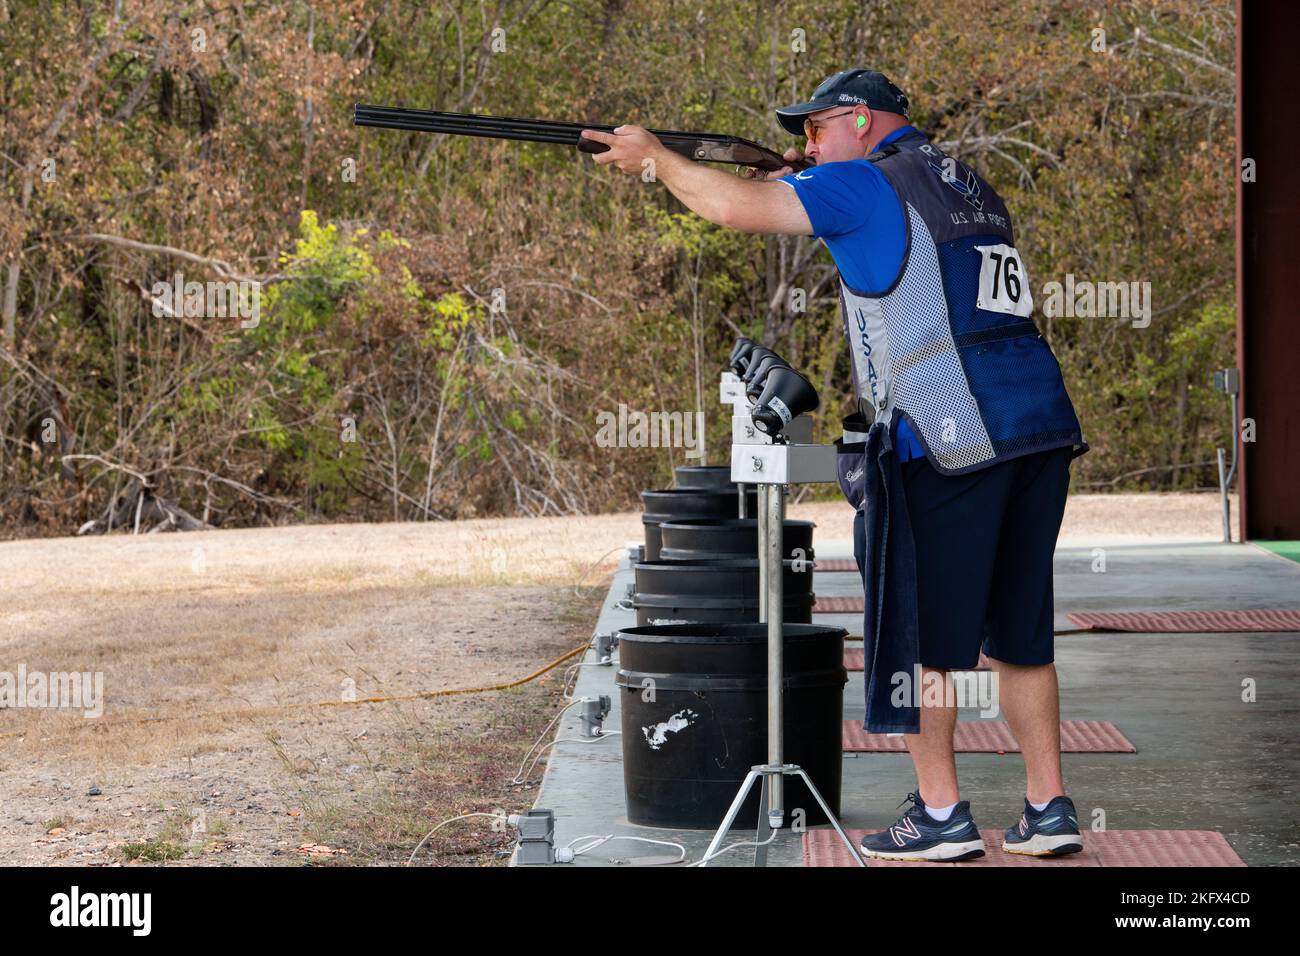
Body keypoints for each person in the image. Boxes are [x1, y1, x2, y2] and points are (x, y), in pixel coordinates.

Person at [581, 68, 1088, 862]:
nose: (804, 145)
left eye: (814, 129)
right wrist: (808, 178)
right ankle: (1049, 808)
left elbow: (729, 207)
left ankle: (943, 814)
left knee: (921, 642)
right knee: (1021, 635)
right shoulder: (968, 183)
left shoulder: (858, 183)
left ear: (858, 120)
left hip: (949, 439)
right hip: (1036, 429)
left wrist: (656, 158)